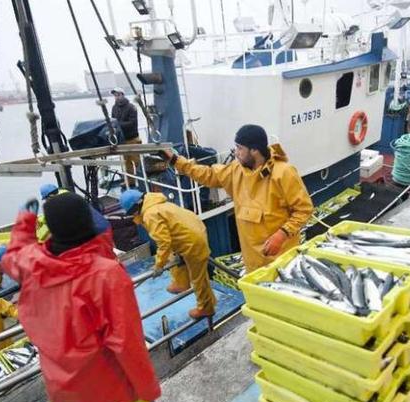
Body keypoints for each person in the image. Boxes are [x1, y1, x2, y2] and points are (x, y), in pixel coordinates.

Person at [0, 192, 175, 402]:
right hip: (109, 388)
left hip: (62, 389)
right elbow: (126, 342)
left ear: (52, 230)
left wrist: (25, 221)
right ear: (87, 223)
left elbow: (14, 255)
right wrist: (147, 389)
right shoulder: (105, 274)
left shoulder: (34, 265)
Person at [163, 125, 313, 273]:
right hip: (253, 264)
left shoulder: (284, 172)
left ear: (254, 150)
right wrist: (176, 160)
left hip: (283, 262)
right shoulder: (236, 170)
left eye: (240, 148)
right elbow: (208, 175)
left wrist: (282, 234)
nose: (236, 152)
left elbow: (304, 210)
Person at [120, 189, 216, 319]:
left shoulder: (150, 214)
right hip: (192, 235)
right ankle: (181, 283)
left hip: (191, 242)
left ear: (136, 207)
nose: (133, 216)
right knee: (175, 256)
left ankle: (206, 308)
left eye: (131, 213)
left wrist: (158, 265)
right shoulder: (159, 204)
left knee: (198, 277)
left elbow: (164, 242)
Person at [111, 87, 142, 188]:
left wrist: (118, 124)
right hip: (122, 139)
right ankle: (130, 181)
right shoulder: (114, 108)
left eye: (118, 94)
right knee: (126, 162)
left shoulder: (131, 107)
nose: (117, 97)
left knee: (137, 161)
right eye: (115, 95)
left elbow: (133, 123)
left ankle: (142, 181)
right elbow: (112, 120)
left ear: (123, 95)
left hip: (132, 138)